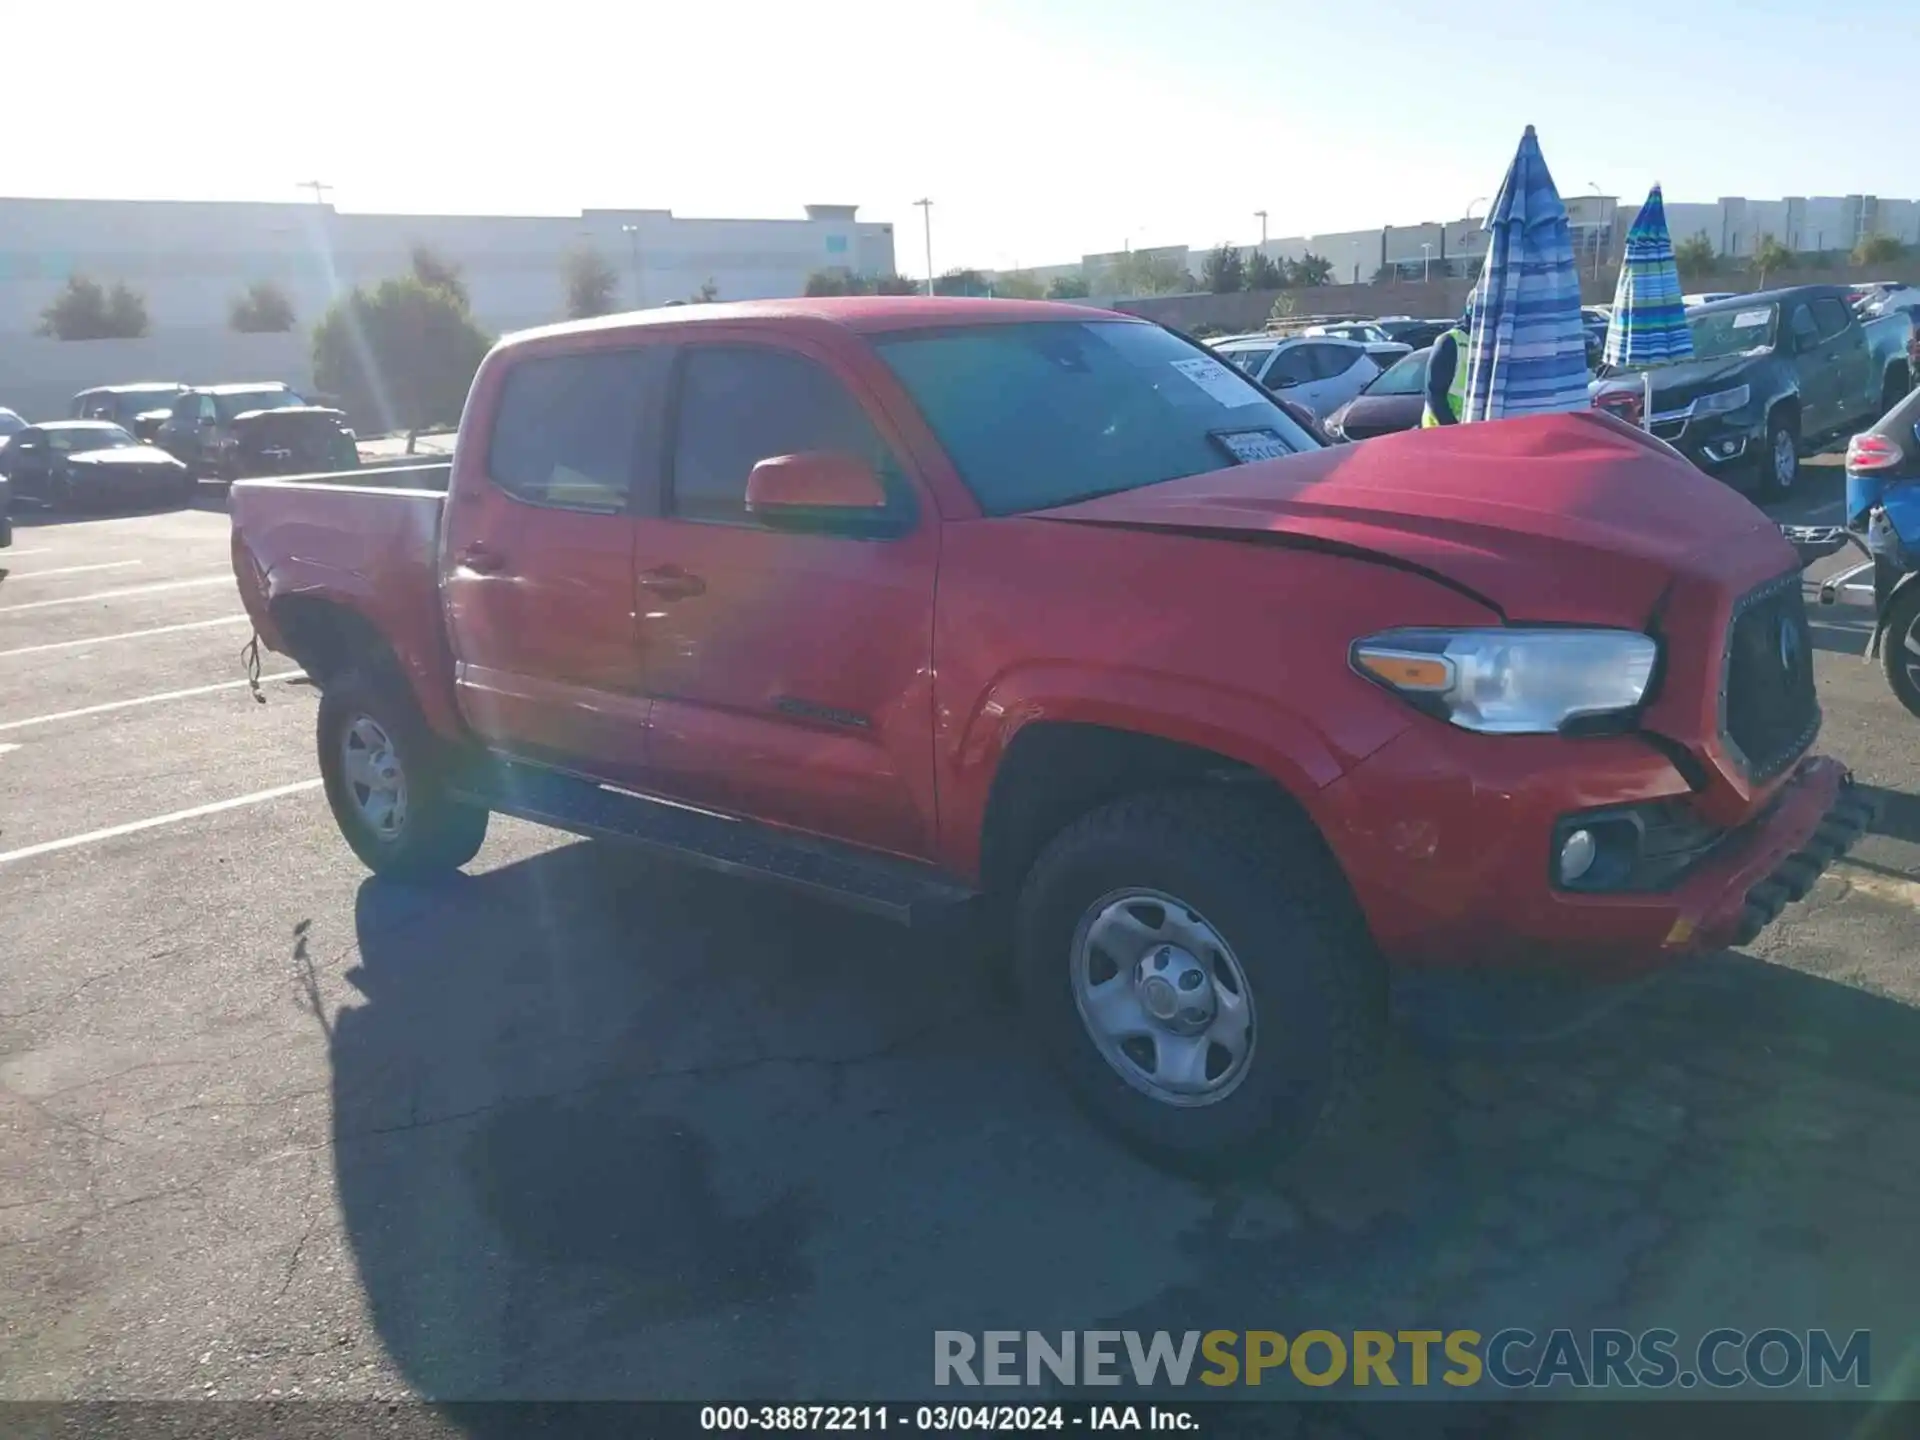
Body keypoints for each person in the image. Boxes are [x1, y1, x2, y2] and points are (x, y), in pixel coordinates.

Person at [1422, 296, 1475, 427]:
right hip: (1441, 434)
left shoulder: (1490, 343)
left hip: (1472, 433)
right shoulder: (1450, 341)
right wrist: (1454, 429)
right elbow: (1434, 393)